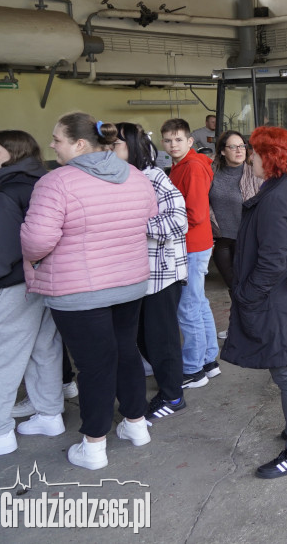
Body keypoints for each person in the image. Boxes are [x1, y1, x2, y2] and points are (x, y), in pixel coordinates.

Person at [21, 113, 158, 470]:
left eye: (57, 139)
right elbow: (148, 215)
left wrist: (32, 254)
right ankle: (136, 425)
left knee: (94, 365)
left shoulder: (57, 182)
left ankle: (94, 445)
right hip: (129, 283)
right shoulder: (136, 176)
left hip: (79, 290)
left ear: (80, 144)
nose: (51, 144)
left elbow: (37, 240)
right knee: (126, 353)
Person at [221, 126, 287, 479]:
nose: (249, 158)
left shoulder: (276, 199)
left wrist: (246, 294)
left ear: (270, 157)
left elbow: (271, 261)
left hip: (281, 301)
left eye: (254, 152)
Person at [0, 131, 63, 456]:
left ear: (13, 153)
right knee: (44, 348)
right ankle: (49, 415)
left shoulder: (7, 191)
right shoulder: (42, 181)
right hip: (47, 280)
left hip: (13, 285)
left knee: (2, 358)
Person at [114, 123, 190, 420]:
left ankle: (173, 396)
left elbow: (177, 222)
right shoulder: (122, 177)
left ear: (131, 145)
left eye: (116, 144)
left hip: (161, 275)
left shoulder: (153, 177)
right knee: (145, 338)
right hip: (136, 275)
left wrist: (133, 225)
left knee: (161, 339)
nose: (109, 150)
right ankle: (171, 382)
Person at [161, 118, 219, 388]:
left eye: (178, 140)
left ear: (190, 141)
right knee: (198, 302)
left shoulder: (193, 167)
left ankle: (193, 370)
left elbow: (194, 214)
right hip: (194, 243)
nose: (173, 145)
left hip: (192, 245)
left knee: (187, 308)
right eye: (168, 140)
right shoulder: (181, 165)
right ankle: (209, 360)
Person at [209, 130, 262, 339]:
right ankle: (239, 327)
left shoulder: (253, 173)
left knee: (250, 286)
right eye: (233, 146)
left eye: (242, 146)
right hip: (222, 241)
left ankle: (254, 327)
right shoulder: (211, 171)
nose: (239, 150)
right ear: (222, 151)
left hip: (247, 240)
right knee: (233, 287)